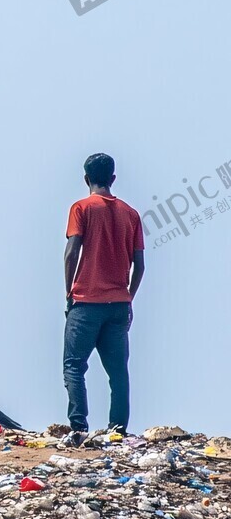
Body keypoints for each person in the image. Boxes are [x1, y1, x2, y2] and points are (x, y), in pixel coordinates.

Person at [62, 153, 145, 445]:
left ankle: (78, 426)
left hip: (86, 301)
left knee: (74, 365)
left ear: (86, 179)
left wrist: (69, 293)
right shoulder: (131, 214)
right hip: (118, 305)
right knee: (118, 372)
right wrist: (129, 298)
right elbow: (140, 265)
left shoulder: (82, 208)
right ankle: (117, 429)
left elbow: (72, 252)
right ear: (112, 179)